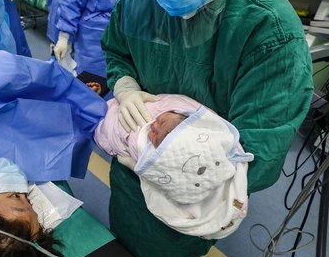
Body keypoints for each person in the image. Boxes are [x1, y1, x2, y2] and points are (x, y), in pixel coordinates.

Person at [100, 0, 314, 257]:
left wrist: (165, 157)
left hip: (194, 188)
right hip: (128, 178)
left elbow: (256, 153)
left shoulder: (268, 31)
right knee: (121, 254)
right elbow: (117, 50)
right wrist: (124, 85)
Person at [95, 94, 254, 240]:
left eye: (156, 139)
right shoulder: (174, 109)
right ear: (183, 116)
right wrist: (125, 90)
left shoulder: (154, 156)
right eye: (162, 123)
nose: (152, 129)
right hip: (127, 183)